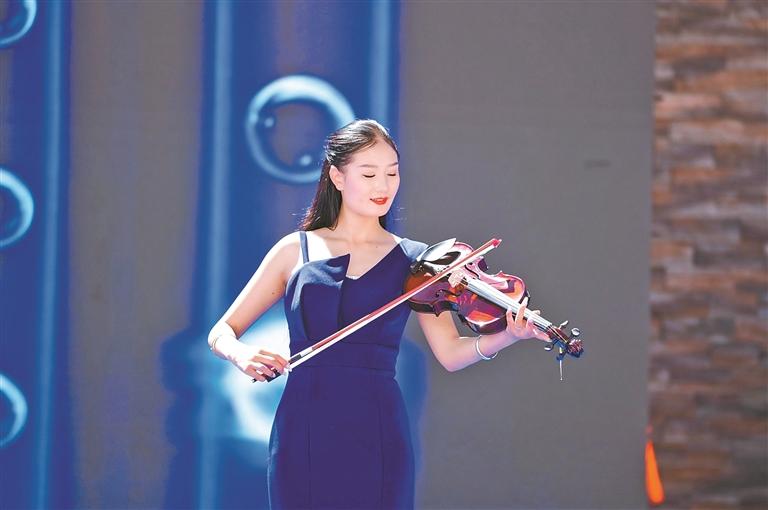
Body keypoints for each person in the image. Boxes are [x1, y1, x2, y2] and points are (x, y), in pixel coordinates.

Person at [207, 119, 550, 509]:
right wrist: (241, 354)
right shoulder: (294, 250)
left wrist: (508, 335)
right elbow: (221, 331)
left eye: (392, 173)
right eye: (369, 174)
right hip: (303, 428)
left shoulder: (418, 262)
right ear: (337, 177)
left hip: (377, 428)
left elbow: (451, 353)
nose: (383, 186)